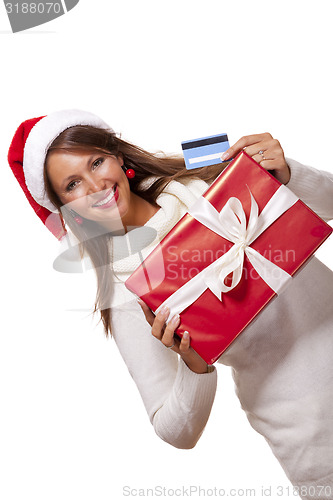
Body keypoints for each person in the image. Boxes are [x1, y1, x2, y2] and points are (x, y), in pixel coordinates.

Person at [8, 109, 333, 500]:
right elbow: (175, 431)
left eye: (96, 162)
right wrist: (194, 364)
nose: (96, 186)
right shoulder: (126, 291)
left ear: (119, 158)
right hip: (312, 436)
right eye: (73, 184)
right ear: (67, 211)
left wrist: (288, 175)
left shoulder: (205, 171)